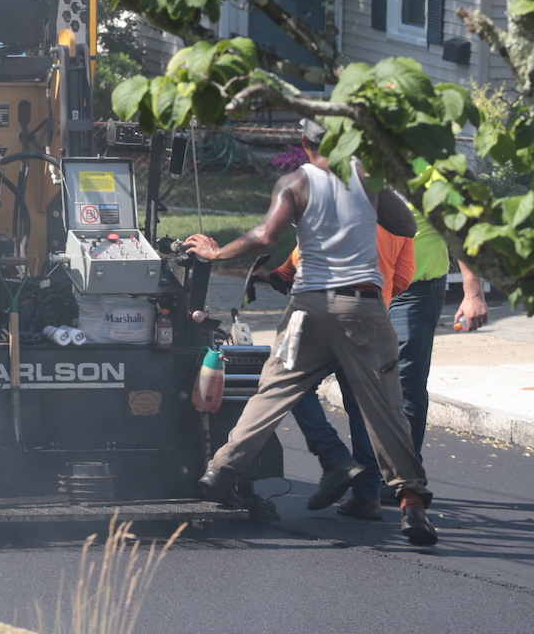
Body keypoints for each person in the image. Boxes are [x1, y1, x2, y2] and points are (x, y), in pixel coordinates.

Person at [186, 120, 439, 547]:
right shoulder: (367, 180)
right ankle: (411, 502)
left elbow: (264, 235)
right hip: (363, 308)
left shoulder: (296, 183)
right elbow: (407, 227)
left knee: (273, 391)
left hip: (307, 310)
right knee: (385, 406)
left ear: (305, 142)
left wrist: (217, 252)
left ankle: (222, 470)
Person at [277, 217, 413, 519]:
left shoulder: (332, 210)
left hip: (325, 319)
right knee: (363, 407)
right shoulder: (398, 221)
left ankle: (334, 455)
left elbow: (301, 258)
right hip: (374, 321)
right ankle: (367, 495)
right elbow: (404, 278)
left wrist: (280, 274)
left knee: (290, 382)